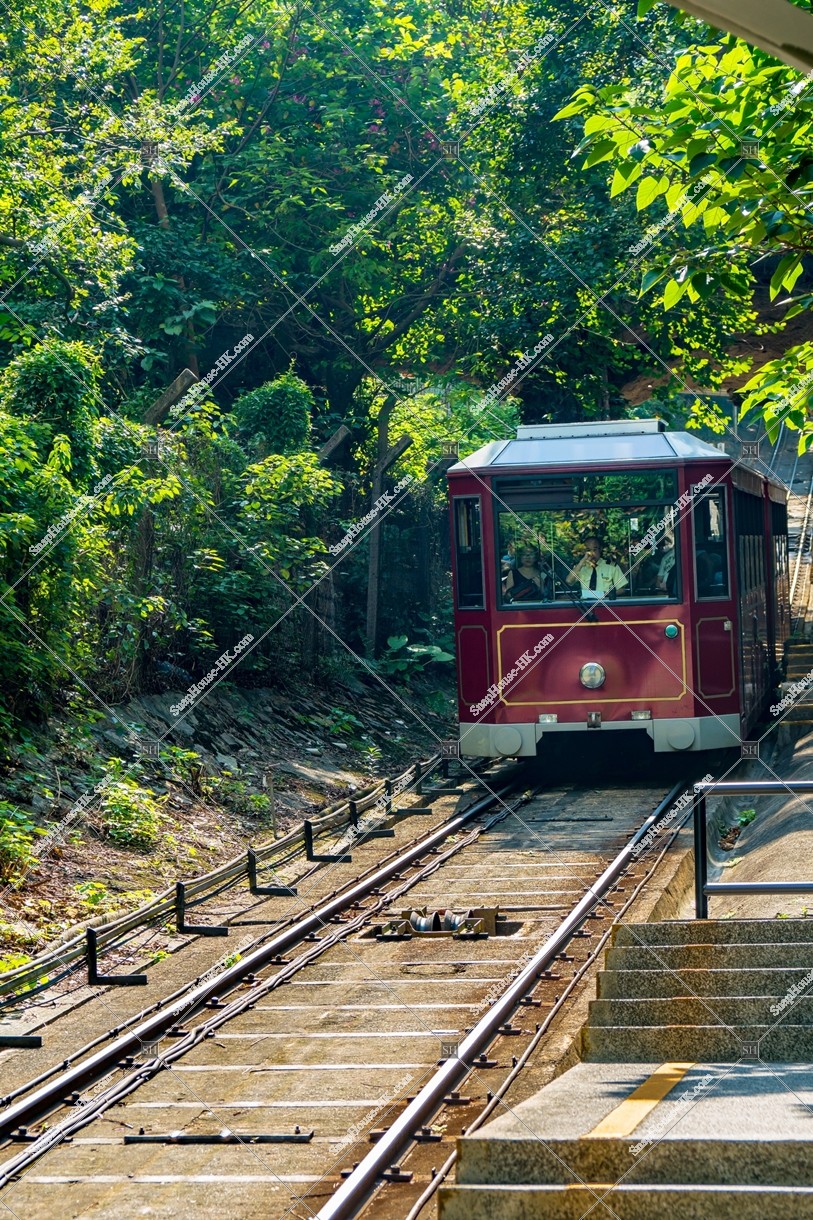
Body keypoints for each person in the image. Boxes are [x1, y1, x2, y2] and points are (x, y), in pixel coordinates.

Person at [566, 536, 628, 600]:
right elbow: (569, 581)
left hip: (605, 603)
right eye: (588, 550)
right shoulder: (581, 567)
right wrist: (582, 561)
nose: (592, 553)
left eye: (594, 549)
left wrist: (604, 594)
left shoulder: (611, 567)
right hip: (585, 605)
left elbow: (622, 590)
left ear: (600, 549)